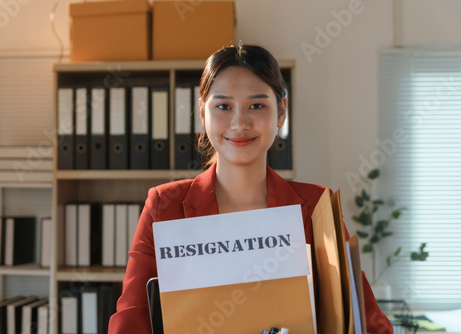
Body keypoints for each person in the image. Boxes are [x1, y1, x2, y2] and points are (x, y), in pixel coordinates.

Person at [108, 44, 393, 334]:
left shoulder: (316, 207)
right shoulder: (163, 206)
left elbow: (369, 323)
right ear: (202, 113)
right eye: (223, 106)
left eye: (256, 106)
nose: (239, 123)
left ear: (281, 112)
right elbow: (130, 324)